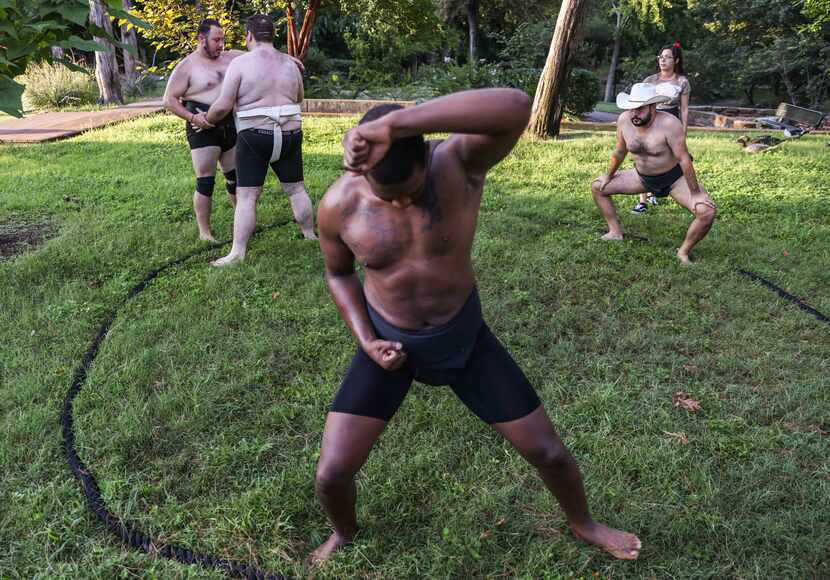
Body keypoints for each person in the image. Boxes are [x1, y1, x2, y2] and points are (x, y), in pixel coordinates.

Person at [310, 89, 642, 564]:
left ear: (424, 151)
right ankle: (343, 533)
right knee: (332, 473)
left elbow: (513, 106)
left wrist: (396, 123)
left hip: (463, 339)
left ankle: (583, 523)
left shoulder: (457, 165)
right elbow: (339, 274)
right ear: (361, 173)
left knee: (549, 453)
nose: (403, 203)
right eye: (390, 197)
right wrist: (367, 340)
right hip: (389, 342)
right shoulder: (338, 205)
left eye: (411, 190)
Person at [204, 14, 316, 267]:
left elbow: (222, 106)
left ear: (249, 36)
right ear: (273, 36)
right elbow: (298, 98)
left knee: (247, 196)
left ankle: (237, 253)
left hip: (256, 136)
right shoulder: (290, 64)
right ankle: (309, 234)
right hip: (290, 134)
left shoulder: (241, 64)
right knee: (296, 188)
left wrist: (206, 119)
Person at [591, 83, 716, 265]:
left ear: (653, 106)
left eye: (640, 109)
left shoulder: (670, 124)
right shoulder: (625, 120)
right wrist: (608, 175)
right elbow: (619, 152)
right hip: (642, 177)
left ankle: (683, 252)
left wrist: (696, 193)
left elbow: (684, 160)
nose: (635, 113)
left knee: (707, 212)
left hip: (674, 178)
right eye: (632, 108)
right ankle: (615, 232)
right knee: (597, 187)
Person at [163, 19, 244, 242]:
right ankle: (204, 232)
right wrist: (192, 118)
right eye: (216, 40)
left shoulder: (231, 57)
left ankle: (242, 222)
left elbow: (261, 54)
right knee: (205, 181)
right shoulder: (187, 66)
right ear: (201, 39)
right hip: (202, 127)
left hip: (229, 124)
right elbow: (169, 100)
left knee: (235, 178)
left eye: (223, 40)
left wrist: (287, 58)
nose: (221, 45)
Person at [631, 42, 691, 215]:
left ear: (676, 60)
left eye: (668, 57)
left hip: (672, 124)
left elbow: (684, 109)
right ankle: (642, 201)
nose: (663, 60)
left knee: (670, 159)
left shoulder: (682, 82)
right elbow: (640, 104)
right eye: (661, 57)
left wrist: (684, 131)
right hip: (650, 121)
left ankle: (661, 191)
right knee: (645, 156)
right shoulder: (650, 80)